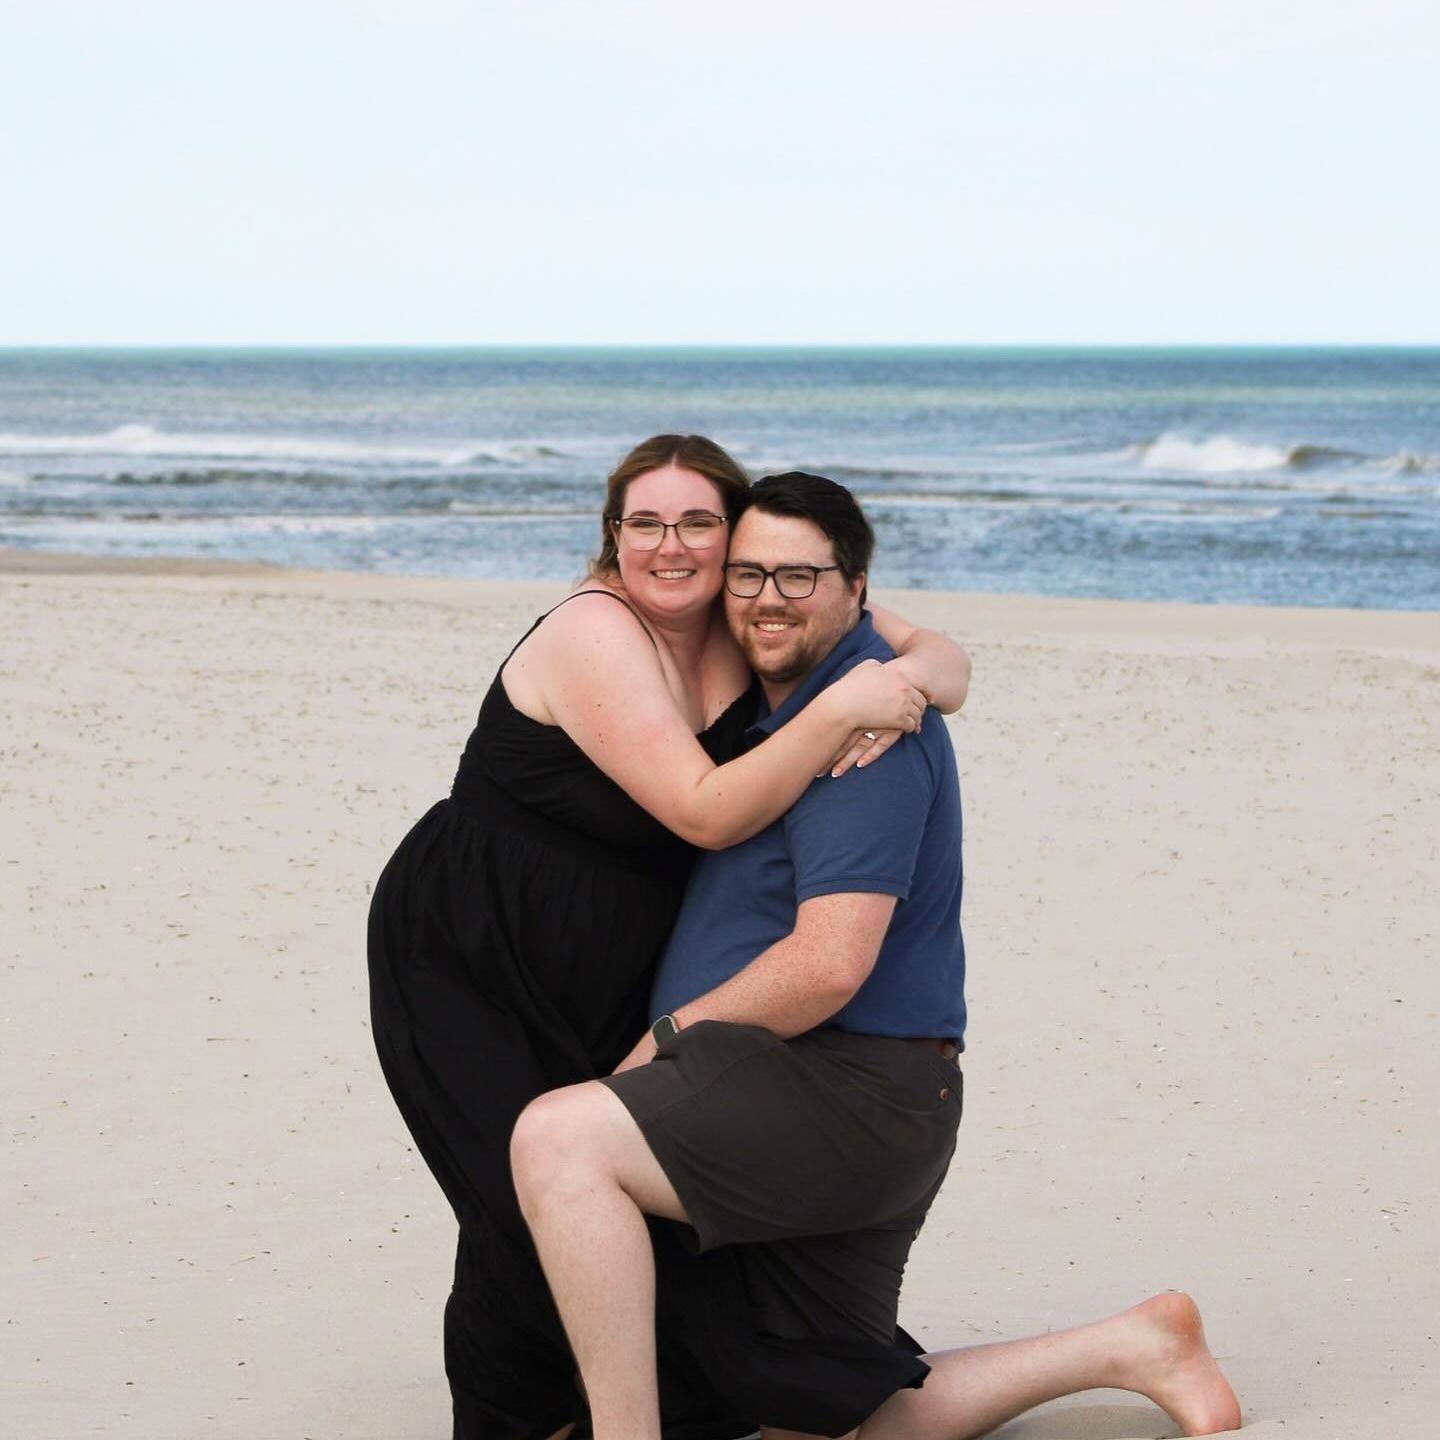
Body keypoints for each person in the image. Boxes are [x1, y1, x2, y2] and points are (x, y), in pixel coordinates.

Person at [511, 472, 1242, 1440]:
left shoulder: (866, 735)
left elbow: (829, 964)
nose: (768, 598)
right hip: (852, 1094)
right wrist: (937, 660)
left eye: (798, 578)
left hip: (848, 1090)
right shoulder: (823, 685)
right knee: (822, 1417)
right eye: (749, 574)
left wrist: (669, 1035)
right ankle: (1136, 1346)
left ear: (855, 588)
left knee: (559, 1142)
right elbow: (935, 653)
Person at [367, 435, 973, 1440]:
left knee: (603, 1203)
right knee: (513, 1198)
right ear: (612, 537)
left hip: (616, 949)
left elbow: (920, 649)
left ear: (731, 538)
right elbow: (701, 811)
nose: (671, 546)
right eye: (643, 523)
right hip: (477, 942)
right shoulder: (596, 630)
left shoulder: (746, 623)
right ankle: (515, 1418)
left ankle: (611, 1403)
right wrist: (839, 716)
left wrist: (921, 680)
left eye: (698, 523)